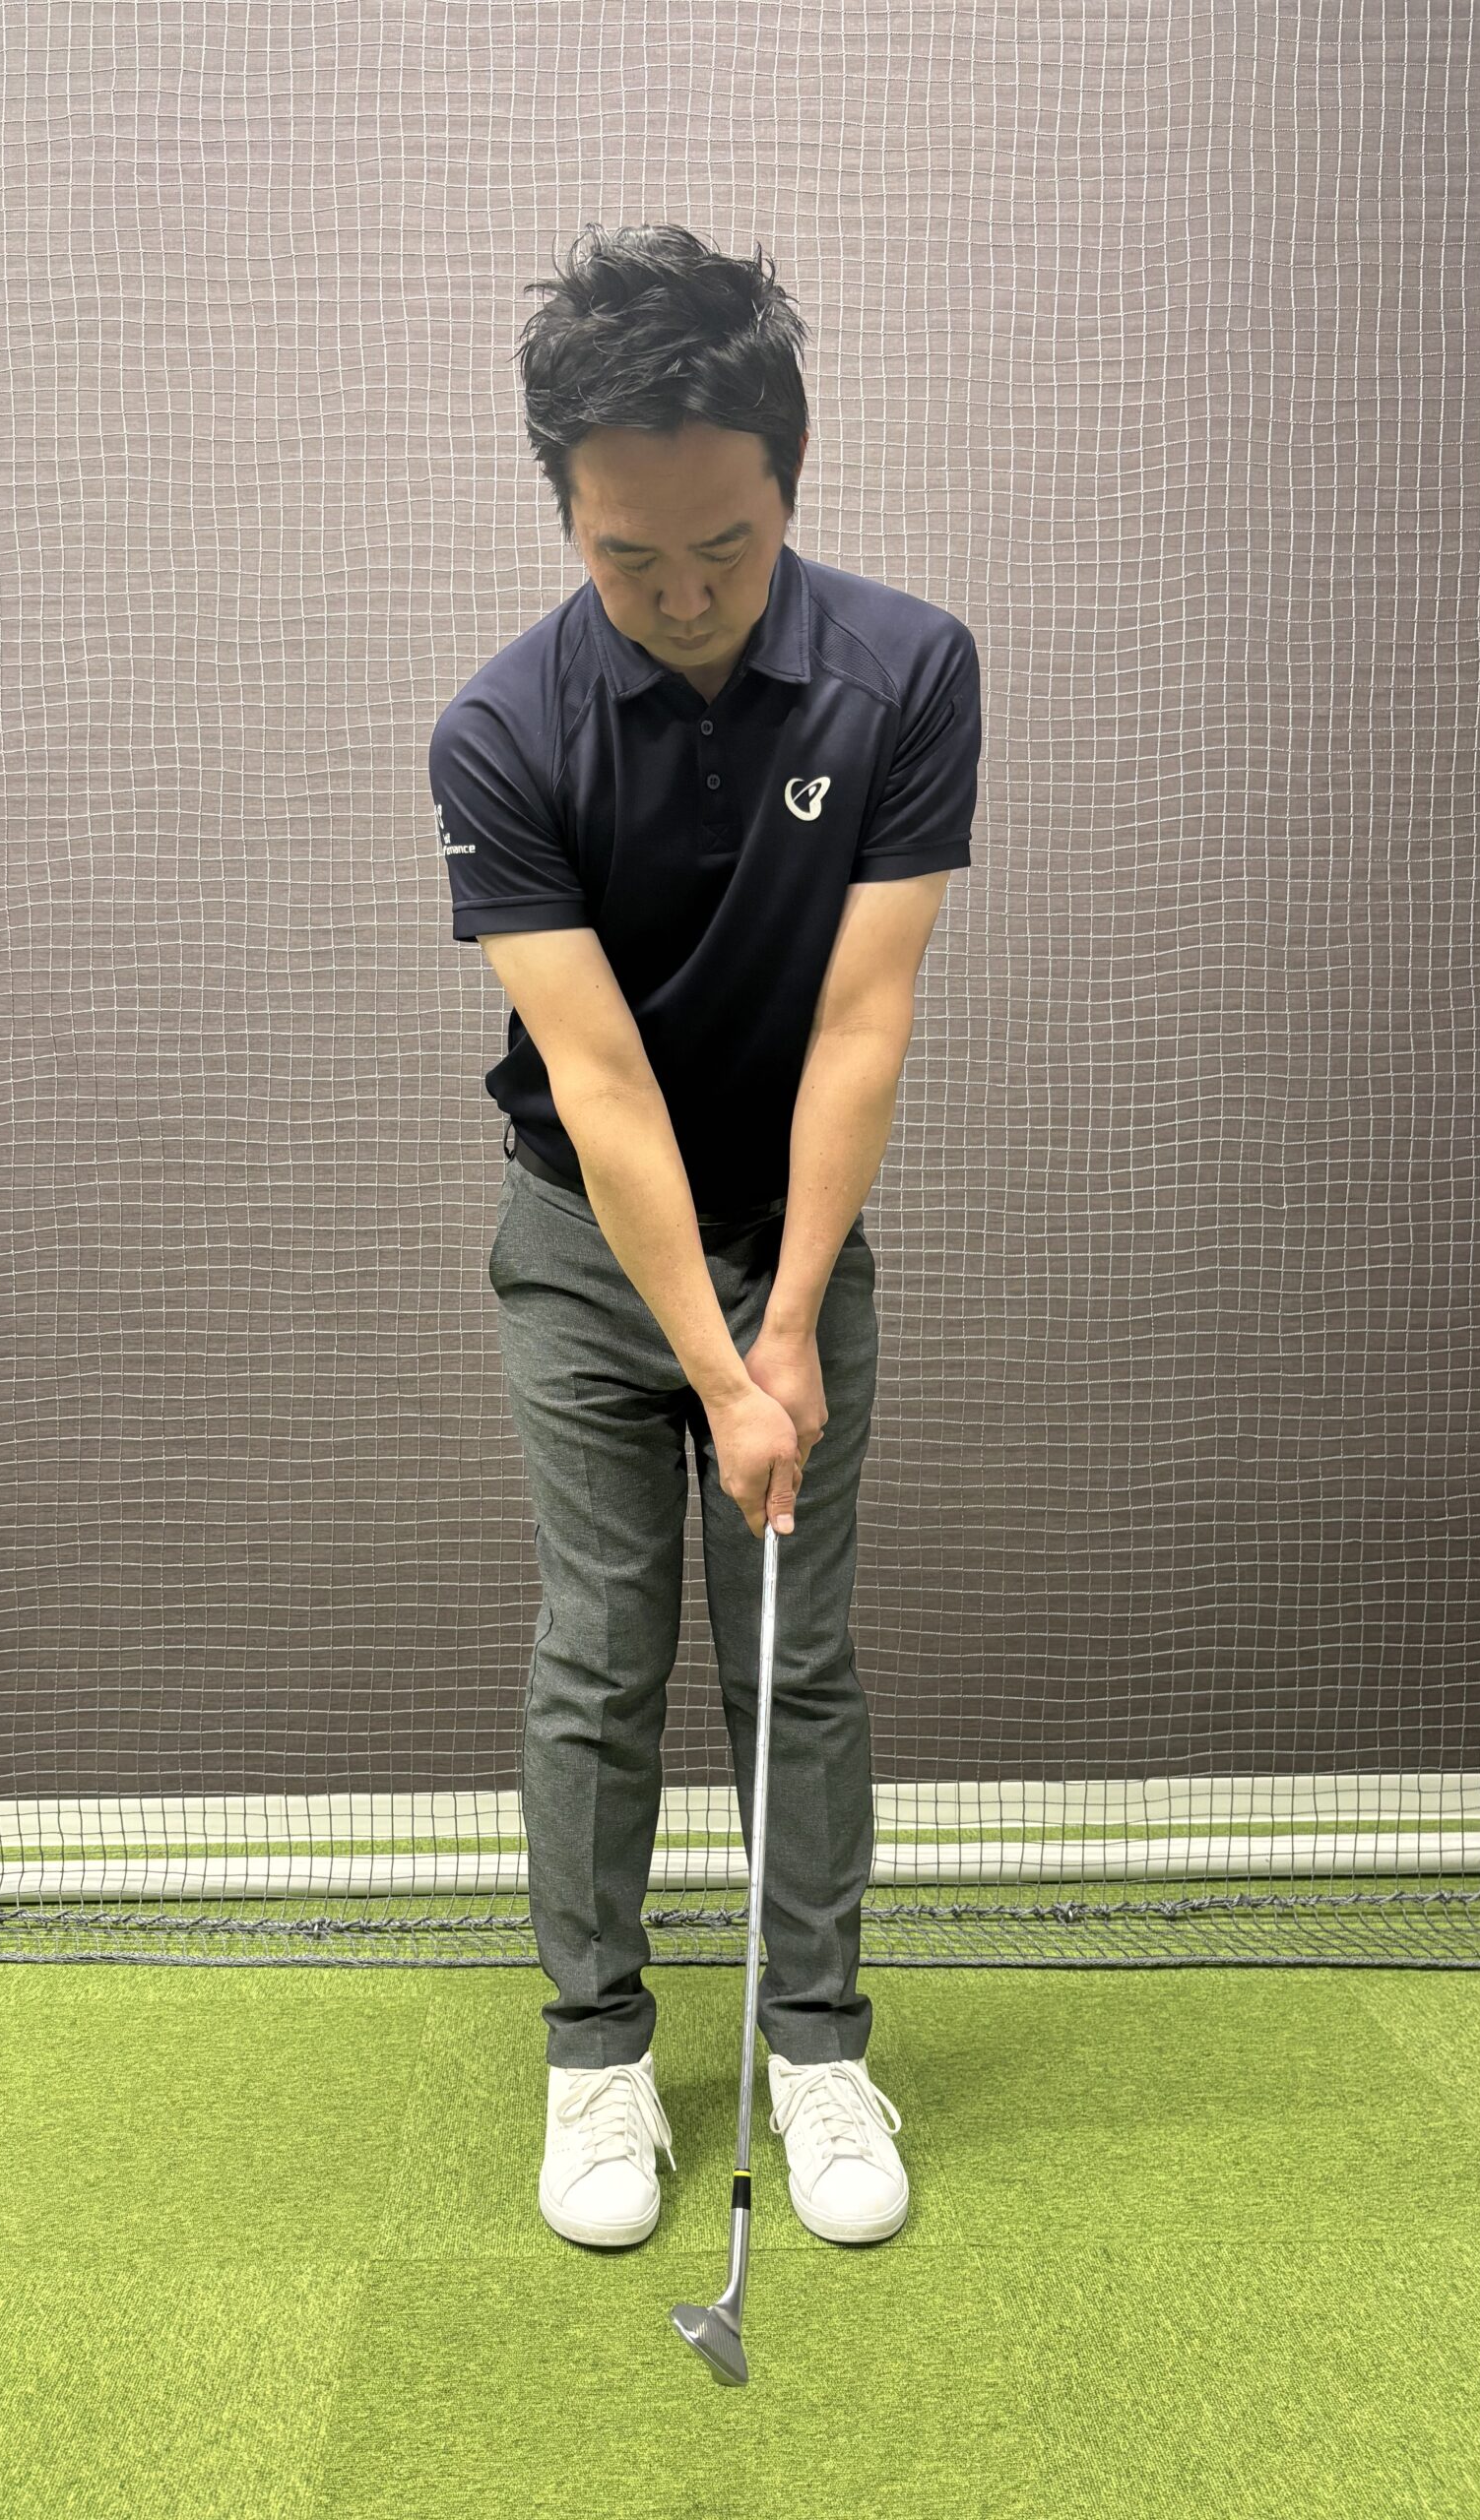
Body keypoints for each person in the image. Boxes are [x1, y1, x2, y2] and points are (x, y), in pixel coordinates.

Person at [427, 224, 982, 2252]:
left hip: (796, 1225)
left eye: (725, 551)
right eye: (627, 557)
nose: (679, 597)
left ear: (792, 482)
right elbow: (597, 1079)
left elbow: (861, 1017)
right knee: (602, 1649)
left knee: (793, 1655)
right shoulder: (502, 731)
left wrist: (795, 1316)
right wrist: (714, 1358)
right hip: (588, 1244)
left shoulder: (910, 672)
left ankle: (816, 2044)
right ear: (565, 514)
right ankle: (595, 2057)